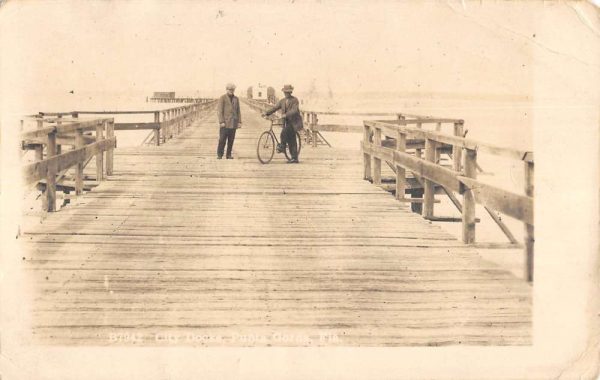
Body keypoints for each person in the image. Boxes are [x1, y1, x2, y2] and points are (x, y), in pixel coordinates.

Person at [262, 84, 304, 163]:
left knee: (285, 134)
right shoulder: (282, 101)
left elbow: (295, 110)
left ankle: (285, 149)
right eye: (285, 92)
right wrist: (266, 113)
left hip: (294, 122)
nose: (286, 93)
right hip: (287, 122)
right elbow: (275, 108)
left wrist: (286, 114)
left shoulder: (295, 100)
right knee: (290, 138)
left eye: (288, 92)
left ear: (290, 92)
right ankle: (292, 156)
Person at [216, 83, 242, 159]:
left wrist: (239, 122)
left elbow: (238, 111)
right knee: (222, 140)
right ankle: (220, 154)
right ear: (226, 89)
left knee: (231, 140)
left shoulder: (236, 98)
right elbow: (219, 111)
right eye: (230, 89)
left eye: (233, 89)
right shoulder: (222, 98)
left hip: (233, 123)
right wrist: (221, 122)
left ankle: (228, 154)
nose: (231, 91)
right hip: (225, 123)